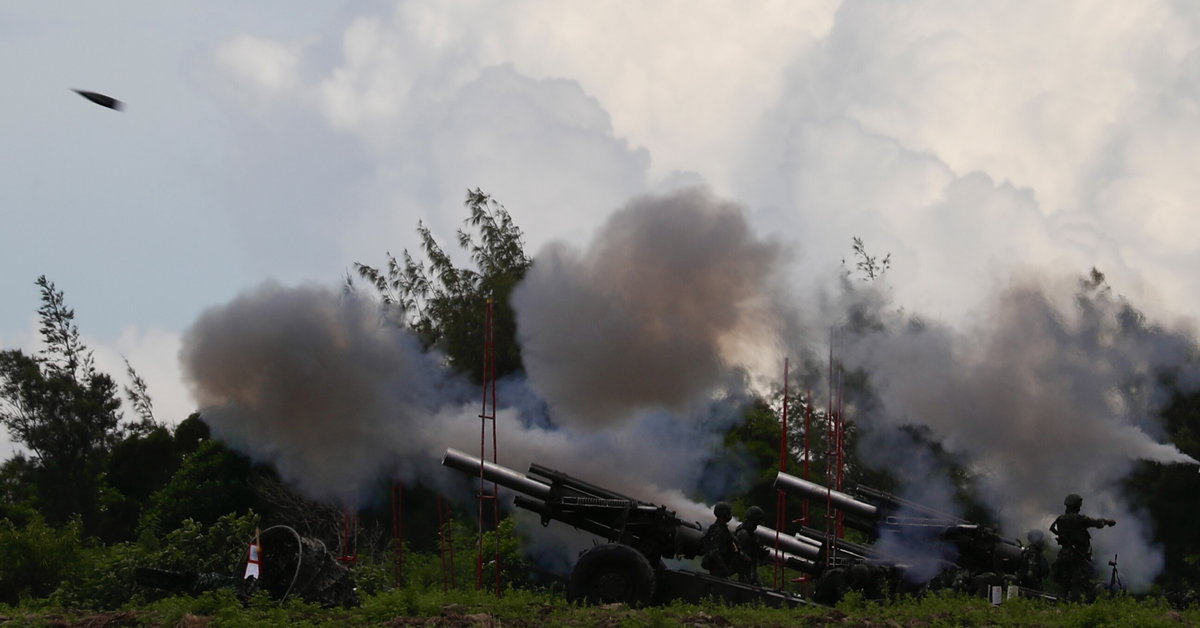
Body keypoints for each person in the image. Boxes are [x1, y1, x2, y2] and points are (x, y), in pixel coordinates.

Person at [1049, 493, 1116, 599]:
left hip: (1064, 556)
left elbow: (1052, 529)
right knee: (1077, 584)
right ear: (1076, 505)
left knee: (1063, 586)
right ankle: (1075, 609)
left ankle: (1061, 607)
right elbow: (1098, 523)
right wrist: (1108, 522)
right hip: (1077, 557)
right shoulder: (1080, 519)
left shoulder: (1060, 519)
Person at [701, 502, 744, 578]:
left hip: (722, 566)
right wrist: (724, 568)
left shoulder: (724, 529)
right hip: (717, 567)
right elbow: (715, 551)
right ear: (723, 514)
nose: (730, 515)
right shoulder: (717, 529)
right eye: (728, 513)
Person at [733, 506, 769, 585]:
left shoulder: (751, 535)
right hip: (744, 568)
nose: (756, 526)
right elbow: (736, 550)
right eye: (755, 523)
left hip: (751, 567)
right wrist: (745, 557)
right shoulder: (743, 533)